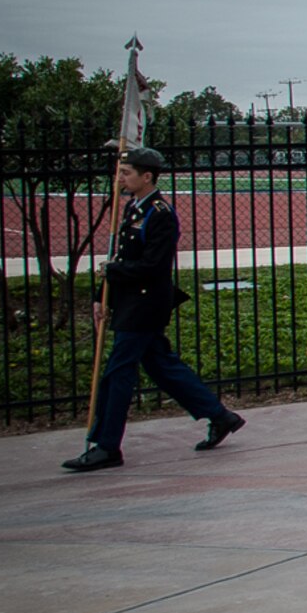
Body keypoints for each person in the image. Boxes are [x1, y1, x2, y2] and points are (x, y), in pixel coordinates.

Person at [64, 146, 244, 471]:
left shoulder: (159, 214)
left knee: (117, 373)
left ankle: (106, 446)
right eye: (120, 173)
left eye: (127, 173)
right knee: (162, 366)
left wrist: (111, 273)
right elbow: (120, 257)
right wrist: (99, 294)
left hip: (145, 304)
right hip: (131, 301)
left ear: (147, 177)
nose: (121, 178)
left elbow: (152, 265)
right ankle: (221, 416)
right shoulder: (133, 208)